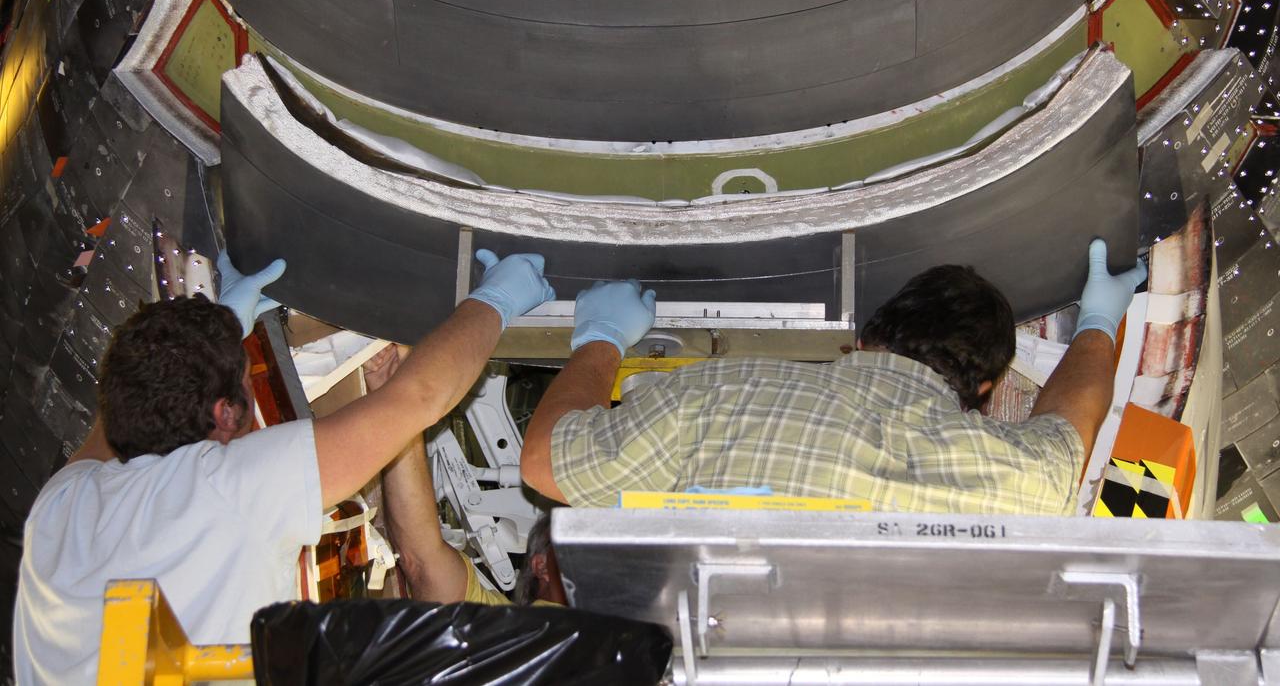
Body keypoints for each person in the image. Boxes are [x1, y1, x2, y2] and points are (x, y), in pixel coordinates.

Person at [13, 248, 556, 684]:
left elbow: (121, 409)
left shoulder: (62, 507)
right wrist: (498, 300)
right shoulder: (231, 488)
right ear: (228, 415)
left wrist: (216, 331)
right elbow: (418, 397)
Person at [521, 239, 1146, 515]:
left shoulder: (718, 392)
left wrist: (599, 342)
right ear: (983, 393)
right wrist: (1097, 322)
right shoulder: (1019, 480)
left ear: (865, 340)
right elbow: (1072, 425)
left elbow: (544, 463)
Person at [376, 392, 565, 607]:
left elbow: (421, 559)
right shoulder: (504, 625)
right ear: (542, 567)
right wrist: (404, 402)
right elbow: (420, 559)